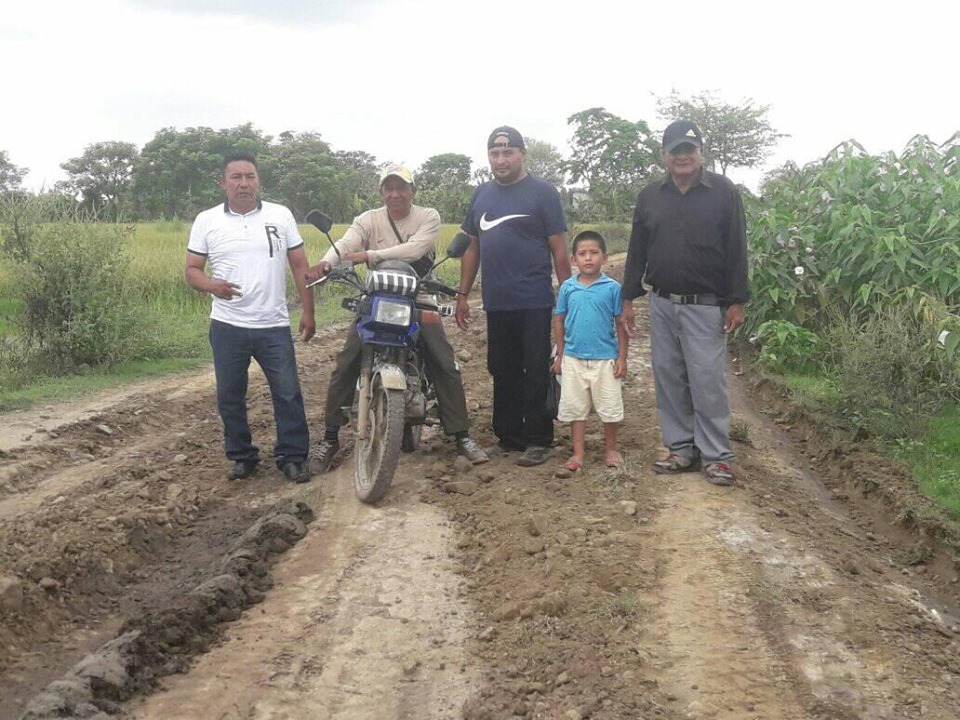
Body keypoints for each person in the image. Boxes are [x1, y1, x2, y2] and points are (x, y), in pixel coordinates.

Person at [306, 164, 488, 472]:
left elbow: (416, 249)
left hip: (420, 293)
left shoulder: (428, 216)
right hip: (377, 294)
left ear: (412, 191)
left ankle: (462, 436)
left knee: (444, 361)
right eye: (388, 188)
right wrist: (326, 263)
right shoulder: (368, 219)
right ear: (381, 192)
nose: (395, 194)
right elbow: (348, 242)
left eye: (401, 188)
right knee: (346, 362)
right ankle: (330, 437)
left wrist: (370, 256)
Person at [620, 120, 749, 486]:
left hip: (706, 305)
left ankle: (716, 456)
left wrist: (737, 300)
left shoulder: (724, 193)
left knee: (707, 381)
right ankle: (681, 449)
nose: (683, 156)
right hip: (662, 303)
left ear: (701, 153)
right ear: (664, 155)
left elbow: (737, 249)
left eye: (689, 150)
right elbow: (637, 250)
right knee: (669, 377)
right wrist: (627, 297)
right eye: (676, 150)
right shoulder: (650, 196)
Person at [185, 151, 315, 483]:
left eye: (250, 176)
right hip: (227, 325)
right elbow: (192, 270)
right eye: (236, 177)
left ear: (258, 180)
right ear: (223, 182)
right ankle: (242, 456)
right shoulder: (207, 220)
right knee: (230, 395)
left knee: (287, 393)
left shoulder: (280, 215)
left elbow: (299, 265)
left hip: (273, 324)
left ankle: (292, 457)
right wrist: (212, 286)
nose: (244, 183)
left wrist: (309, 311)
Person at [457, 126, 572, 467]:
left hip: (535, 299)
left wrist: (570, 297)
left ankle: (539, 439)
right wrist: (463, 294)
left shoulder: (543, 193)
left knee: (535, 368)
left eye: (508, 152)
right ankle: (508, 435)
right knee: (502, 368)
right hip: (497, 301)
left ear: (522, 154)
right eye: (495, 153)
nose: (501, 159)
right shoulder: (481, 195)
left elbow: (559, 249)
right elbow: (472, 248)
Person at [552, 230, 628, 472]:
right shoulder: (568, 288)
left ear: (604, 258)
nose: (588, 258)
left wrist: (622, 357)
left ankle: (611, 449)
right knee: (576, 408)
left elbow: (620, 323)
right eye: (582, 254)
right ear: (573, 259)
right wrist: (560, 354)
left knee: (610, 406)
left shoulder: (612, 288)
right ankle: (578, 454)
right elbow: (559, 320)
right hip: (573, 358)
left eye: (593, 253)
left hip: (605, 359)